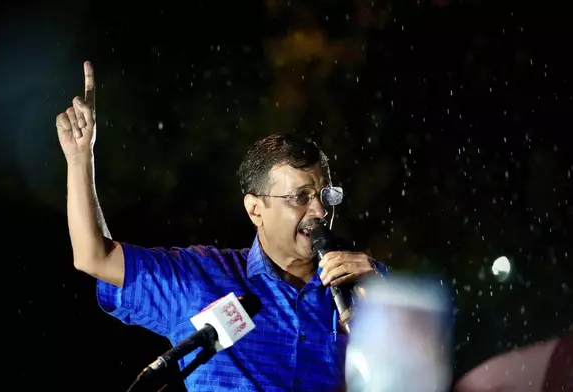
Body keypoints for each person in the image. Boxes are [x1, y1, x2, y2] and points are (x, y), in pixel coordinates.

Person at [56, 61, 388, 392]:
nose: (319, 210)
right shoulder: (200, 278)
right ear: (256, 209)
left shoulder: (365, 284)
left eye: (325, 195)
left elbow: (427, 366)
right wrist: (79, 160)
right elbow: (93, 257)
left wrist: (387, 297)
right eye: (300, 197)